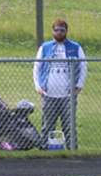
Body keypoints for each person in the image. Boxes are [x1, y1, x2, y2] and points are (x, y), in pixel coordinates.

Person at [33, 18, 86, 148]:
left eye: (62, 30)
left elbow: (83, 67)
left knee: (69, 126)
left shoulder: (75, 47)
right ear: (53, 31)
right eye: (56, 30)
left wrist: (79, 85)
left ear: (66, 31)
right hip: (49, 94)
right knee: (47, 125)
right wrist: (38, 86)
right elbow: (36, 67)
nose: (59, 33)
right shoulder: (45, 47)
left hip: (68, 95)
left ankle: (72, 149)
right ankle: (44, 149)